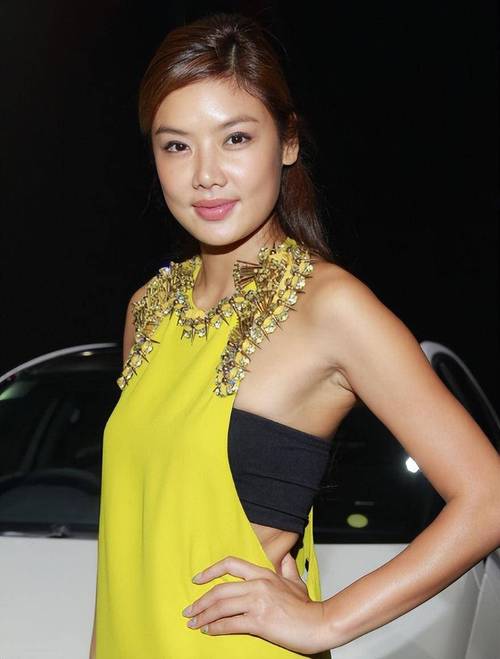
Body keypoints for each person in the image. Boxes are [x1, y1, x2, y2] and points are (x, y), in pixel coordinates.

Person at [89, 11, 500, 659]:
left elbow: (489, 496)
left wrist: (326, 621)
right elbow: (130, 552)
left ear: (287, 142)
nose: (205, 174)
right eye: (176, 146)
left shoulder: (330, 308)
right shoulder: (148, 308)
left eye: (235, 138)